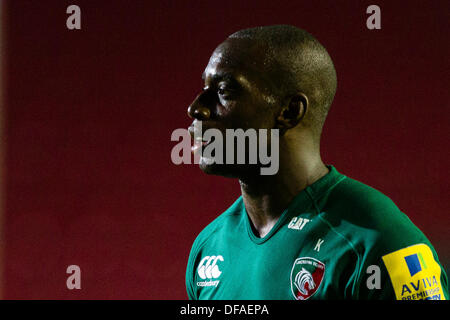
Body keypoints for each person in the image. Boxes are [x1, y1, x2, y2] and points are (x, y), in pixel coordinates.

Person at [184, 25, 448, 300]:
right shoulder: (209, 249)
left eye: (224, 90)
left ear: (289, 111)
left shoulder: (376, 243)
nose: (196, 108)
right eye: (204, 88)